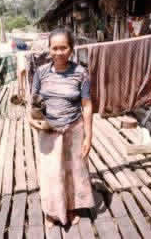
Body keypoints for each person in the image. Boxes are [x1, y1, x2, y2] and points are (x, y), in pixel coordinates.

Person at [27, 28, 95, 228]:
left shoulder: (80, 73)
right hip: (49, 131)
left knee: (73, 172)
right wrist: (30, 119)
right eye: (54, 48)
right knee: (51, 173)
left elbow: (87, 105)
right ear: (49, 49)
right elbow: (33, 101)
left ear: (71, 49)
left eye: (63, 47)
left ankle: (71, 207)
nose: (59, 52)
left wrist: (88, 137)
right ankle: (51, 211)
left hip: (74, 129)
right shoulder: (41, 73)